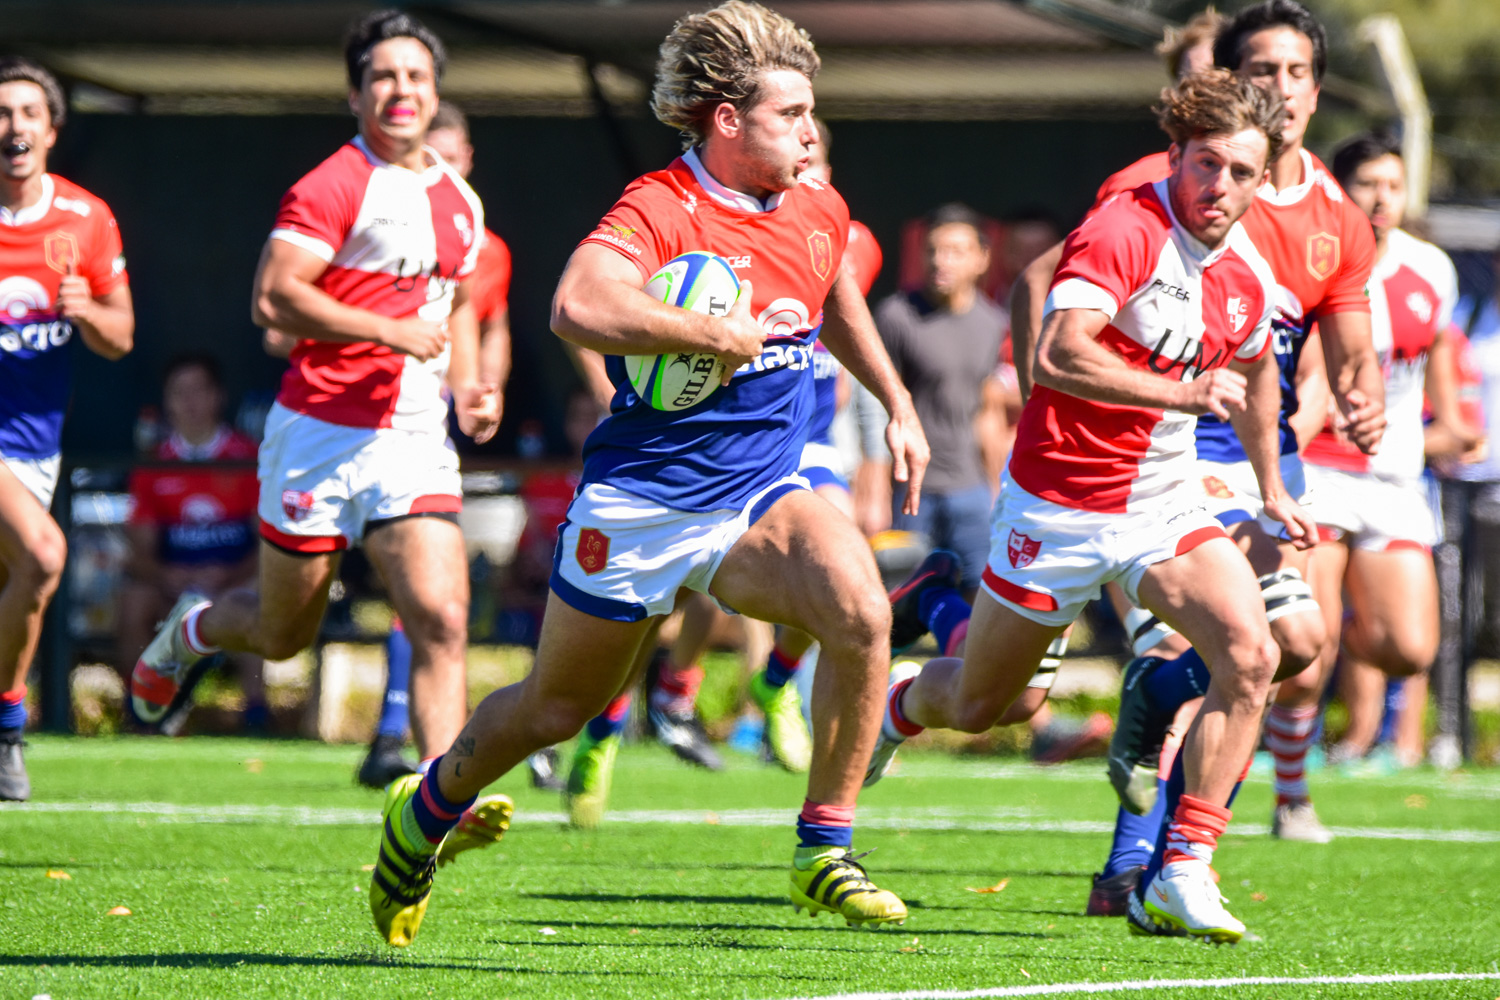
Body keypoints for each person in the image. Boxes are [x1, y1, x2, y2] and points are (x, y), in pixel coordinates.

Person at [364, 0, 928, 947]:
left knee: (863, 614)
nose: (809, 131)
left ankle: (823, 847)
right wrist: (712, 332)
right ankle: (422, 813)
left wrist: (897, 402)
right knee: (556, 706)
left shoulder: (817, 202)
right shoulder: (661, 206)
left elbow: (835, 296)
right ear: (728, 121)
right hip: (644, 500)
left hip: (759, 491)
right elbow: (577, 302)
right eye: (791, 115)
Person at [866, 69, 1310, 945]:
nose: (1220, 187)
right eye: (1206, 164)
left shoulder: (1246, 270)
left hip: (1164, 503)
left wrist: (1270, 487)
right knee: (989, 706)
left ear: (1265, 179)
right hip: (1058, 504)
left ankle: (1180, 871)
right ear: (1175, 155)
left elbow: (1259, 376)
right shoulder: (1124, 228)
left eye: (1242, 172)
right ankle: (904, 700)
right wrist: (1178, 395)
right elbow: (1058, 355)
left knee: (1254, 654)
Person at [994, 0, 1382, 909]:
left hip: (1247, 457)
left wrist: (1347, 406)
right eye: (1262, 71)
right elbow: (1045, 289)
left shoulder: (1338, 218)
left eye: (1296, 73)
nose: (1279, 89)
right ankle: (1141, 866)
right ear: (1231, 79)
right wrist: (1037, 399)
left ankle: (1159, 752)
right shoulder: (1163, 182)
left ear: (1318, 92)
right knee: (1200, 646)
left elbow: (1335, 353)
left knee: (1296, 647)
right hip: (1147, 455)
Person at [129, 12, 510, 859]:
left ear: (435, 90)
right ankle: (189, 632)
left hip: (412, 435)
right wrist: (383, 334)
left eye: (414, 76)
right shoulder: (334, 184)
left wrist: (472, 387)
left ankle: (432, 811)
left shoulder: (458, 197)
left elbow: (462, 311)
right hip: (319, 438)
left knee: (444, 616)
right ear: (355, 94)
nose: (400, 90)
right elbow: (274, 297)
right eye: (382, 77)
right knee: (283, 633)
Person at [1288, 133, 1471, 790]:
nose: (1383, 198)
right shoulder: (1312, 261)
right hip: (1317, 469)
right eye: (1368, 183)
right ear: (1339, 189)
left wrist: (1433, 434)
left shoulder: (1431, 269)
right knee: (1305, 654)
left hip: (1392, 478)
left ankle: (1345, 639)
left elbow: (1443, 388)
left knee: (1409, 647)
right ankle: (1292, 779)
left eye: (1394, 185)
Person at [354, 98, 516, 790]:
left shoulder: (488, 246)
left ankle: (415, 753)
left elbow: (488, 321)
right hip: (358, 425)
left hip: (434, 433)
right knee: (283, 623)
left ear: (470, 159)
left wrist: (484, 386)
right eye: (432, 160)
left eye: (453, 158)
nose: (443, 171)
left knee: (438, 597)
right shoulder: (381, 228)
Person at [0, 57, 135, 801]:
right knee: (46, 554)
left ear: (50, 131)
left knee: (22, 580)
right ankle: (10, 727)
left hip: (35, 446)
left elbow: (122, 336)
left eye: (26, 113)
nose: (12, 127)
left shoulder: (85, 219)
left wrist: (86, 311)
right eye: (1, 112)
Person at [119, 354, 265, 732]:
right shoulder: (153, 463)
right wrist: (171, 575)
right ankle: (141, 711)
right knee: (134, 599)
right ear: (166, 401)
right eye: (179, 392)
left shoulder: (249, 458)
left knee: (255, 596)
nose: (190, 402)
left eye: (199, 390)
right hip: (173, 589)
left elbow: (267, 544)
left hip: (233, 583)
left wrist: (231, 575)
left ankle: (257, 713)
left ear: (218, 396)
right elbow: (138, 553)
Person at [874, 204, 1004, 596]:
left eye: (955, 251)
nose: (940, 261)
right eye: (932, 250)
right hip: (911, 488)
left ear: (982, 258)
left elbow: (988, 409)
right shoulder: (896, 316)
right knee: (903, 596)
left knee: (984, 592)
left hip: (971, 490)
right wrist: (878, 495)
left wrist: (996, 488)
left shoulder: (992, 322)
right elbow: (876, 408)